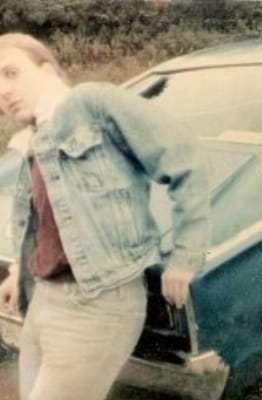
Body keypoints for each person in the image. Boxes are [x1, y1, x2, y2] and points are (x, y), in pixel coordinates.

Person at [0, 33, 209, 400]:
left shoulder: (93, 104)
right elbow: (40, 219)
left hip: (98, 304)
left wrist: (185, 256)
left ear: (47, 70)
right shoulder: (34, 137)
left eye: (11, 73)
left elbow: (185, 157)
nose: (3, 91)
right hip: (45, 298)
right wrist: (19, 270)